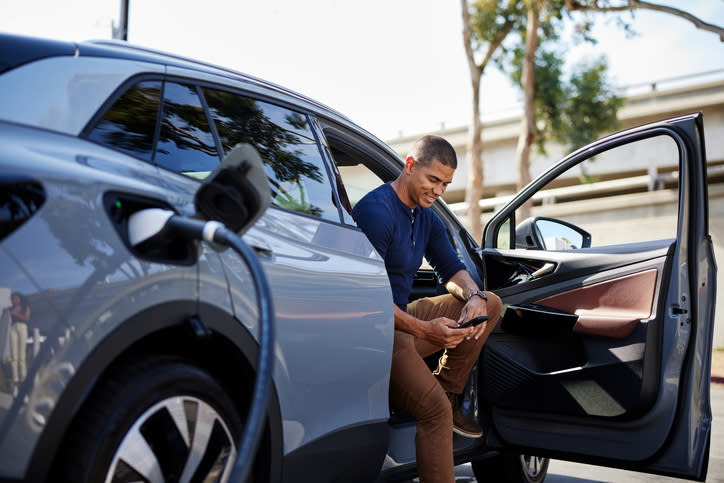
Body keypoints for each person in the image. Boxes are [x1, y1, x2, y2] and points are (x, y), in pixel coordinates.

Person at [353, 135, 502, 483]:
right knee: (433, 412)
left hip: (401, 321)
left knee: (490, 304)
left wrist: (473, 295)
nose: (438, 190)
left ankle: (449, 391)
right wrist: (424, 330)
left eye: (446, 184)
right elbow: (363, 298)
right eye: (433, 180)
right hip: (372, 333)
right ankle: (441, 403)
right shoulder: (376, 212)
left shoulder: (426, 215)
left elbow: (451, 269)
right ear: (409, 166)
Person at [9, 292, 30, 394]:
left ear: (20, 299)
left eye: (16, 298)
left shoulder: (25, 307)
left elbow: (26, 318)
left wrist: (15, 313)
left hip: (22, 327)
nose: (14, 300)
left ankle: (23, 379)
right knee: (14, 355)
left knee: (22, 355)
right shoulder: (10, 309)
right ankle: (15, 379)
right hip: (13, 328)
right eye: (13, 299)